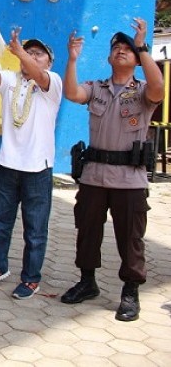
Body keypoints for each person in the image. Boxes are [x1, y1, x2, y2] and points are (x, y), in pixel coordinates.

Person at [61, 19, 163, 322]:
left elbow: (159, 87)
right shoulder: (96, 88)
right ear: (108, 58)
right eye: (115, 48)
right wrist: (73, 59)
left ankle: (130, 291)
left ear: (136, 58)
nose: (121, 51)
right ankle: (87, 282)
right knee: (87, 231)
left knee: (130, 238)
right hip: (94, 176)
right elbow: (71, 93)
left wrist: (142, 45)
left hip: (129, 179)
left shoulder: (143, 92)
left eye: (127, 49)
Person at [0, 28, 63, 299]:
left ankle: (30, 278)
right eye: (29, 52)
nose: (31, 56)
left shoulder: (51, 82)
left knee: (35, 230)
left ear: (49, 62)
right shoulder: (10, 80)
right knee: (1, 223)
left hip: (38, 169)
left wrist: (18, 52)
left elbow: (38, 75)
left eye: (38, 54)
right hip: (7, 164)